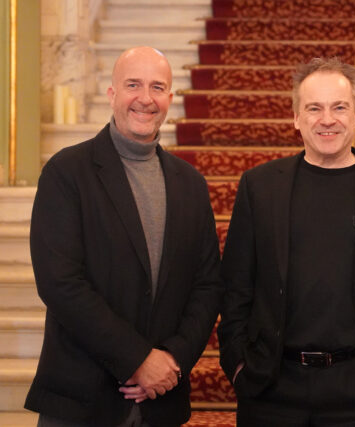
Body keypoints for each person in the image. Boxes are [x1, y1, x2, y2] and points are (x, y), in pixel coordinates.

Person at [217, 57, 355, 426]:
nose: (327, 119)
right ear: (296, 117)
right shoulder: (259, 187)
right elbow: (236, 287)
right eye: (314, 108)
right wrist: (239, 366)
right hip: (271, 388)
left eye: (339, 107)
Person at [25, 46, 223, 426]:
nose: (145, 98)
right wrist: (137, 360)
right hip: (82, 400)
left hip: (161, 402)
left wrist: (172, 359)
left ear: (170, 98)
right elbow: (60, 283)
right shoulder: (66, 172)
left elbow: (208, 285)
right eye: (133, 85)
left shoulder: (191, 184)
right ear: (112, 93)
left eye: (157, 87)